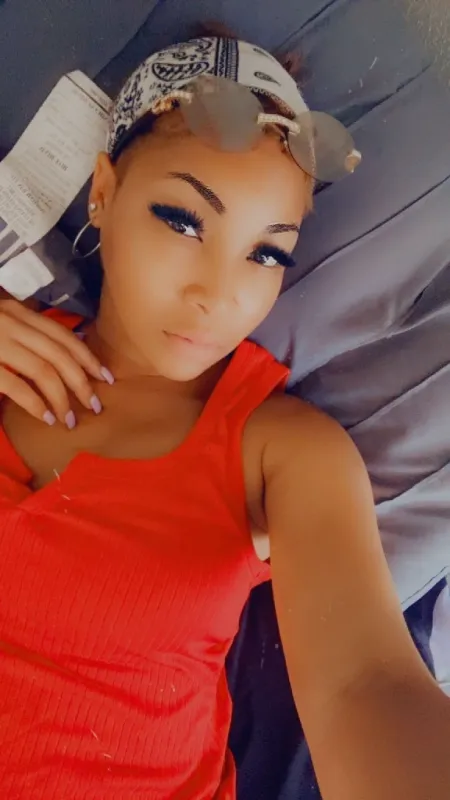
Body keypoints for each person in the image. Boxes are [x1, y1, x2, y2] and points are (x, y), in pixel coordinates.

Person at [0, 33, 449, 800]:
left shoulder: (279, 451)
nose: (218, 293)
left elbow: (363, 683)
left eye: (267, 254)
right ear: (103, 192)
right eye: (182, 220)